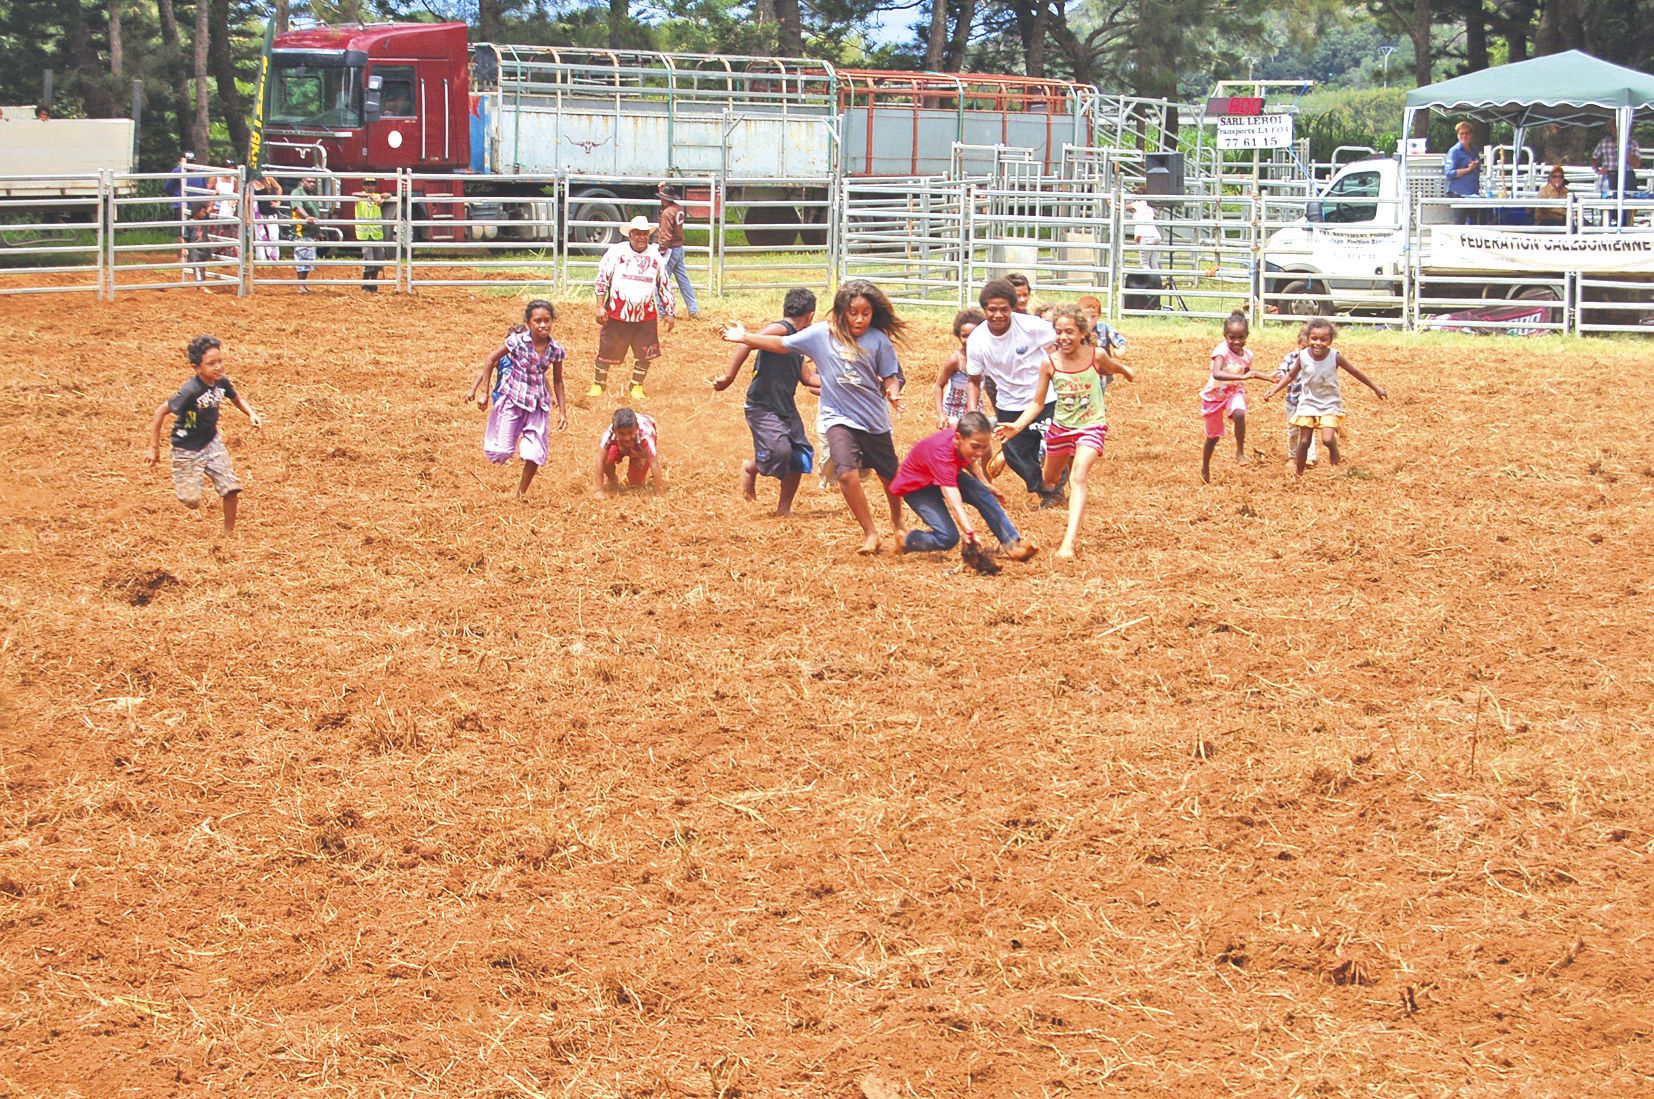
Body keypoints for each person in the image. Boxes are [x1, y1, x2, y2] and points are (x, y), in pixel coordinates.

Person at [721, 279, 907, 555]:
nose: (859, 319)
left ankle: (898, 523)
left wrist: (892, 391)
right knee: (845, 475)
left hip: (873, 420)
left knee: (889, 476)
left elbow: (892, 375)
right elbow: (782, 343)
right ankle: (870, 533)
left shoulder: (878, 340)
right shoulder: (822, 334)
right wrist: (745, 337)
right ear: (842, 310)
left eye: (866, 314)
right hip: (838, 417)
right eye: (853, 313)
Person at [994, 305, 1131, 559]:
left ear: (1082, 333)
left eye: (1069, 331)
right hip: (1061, 429)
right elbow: (1037, 402)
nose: (1063, 337)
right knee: (1050, 480)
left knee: (1079, 477)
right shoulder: (1049, 363)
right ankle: (1035, 466)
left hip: (1091, 426)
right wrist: (1017, 426)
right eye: (1058, 332)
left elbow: (1112, 368)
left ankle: (1068, 544)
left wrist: (1125, 371)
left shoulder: (1096, 355)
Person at [711, 287, 820, 517]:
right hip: (762, 405)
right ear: (810, 315)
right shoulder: (781, 328)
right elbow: (746, 342)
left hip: (785, 407)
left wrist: (842, 382)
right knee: (779, 451)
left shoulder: (797, 341)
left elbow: (808, 378)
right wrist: (729, 377)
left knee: (799, 455)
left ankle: (784, 508)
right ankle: (751, 468)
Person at [146, 335, 262, 537]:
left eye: (220, 361)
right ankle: (188, 483)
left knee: (231, 487)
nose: (218, 367)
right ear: (197, 367)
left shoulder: (221, 383)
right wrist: (153, 447)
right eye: (211, 363)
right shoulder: (190, 391)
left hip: (211, 442)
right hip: (186, 447)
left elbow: (237, 398)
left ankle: (229, 535)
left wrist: (251, 413)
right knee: (191, 501)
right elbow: (159, 412)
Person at [964, 277, 1065, 507]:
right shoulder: (978, 341)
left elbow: (1059, 345)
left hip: (1044, 397)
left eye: (1004, 310)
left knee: (1054, 445)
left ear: (1012, 308)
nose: (998, 315)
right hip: (1008, 402)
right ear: (984, 310)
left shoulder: (1033, 327)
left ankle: (1054, 492)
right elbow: (973, 380)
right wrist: (973, 414)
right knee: (1015, 455)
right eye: (992, 310)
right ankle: (1043, 487)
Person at [889, 412, 1037, 562]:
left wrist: (985, 484)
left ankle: (1012, 544)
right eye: (975, 447)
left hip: (940, 476)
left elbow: (970, 460)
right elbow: (955, 503)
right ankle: (907, 541)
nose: (979, 453)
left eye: (984, 447)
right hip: (918, 488)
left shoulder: (963, 443)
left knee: (983, 493)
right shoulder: (941, 454)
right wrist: (969, 533)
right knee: (948, 537)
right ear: (958, 439)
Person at [1264, 317, 1388, 478]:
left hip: (1329, 403)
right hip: (1308, 403)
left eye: (1324, 339)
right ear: (1307, 338)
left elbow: (1355, 372)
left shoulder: (1334, 356)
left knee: (1327, 439)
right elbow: (1290, 377)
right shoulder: (1302, 357)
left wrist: (1375, 387)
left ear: (1330, 340)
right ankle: (1298, 475)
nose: (1318, 343)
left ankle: (1334, 450)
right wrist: (1274, 390)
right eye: (1314, 338)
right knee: (1304, 441)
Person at [469, 300, 567, 499]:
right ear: (529, 323)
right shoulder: (517, 342)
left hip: (538, 404)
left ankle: (520, 493)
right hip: (513, 399)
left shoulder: (556, 350)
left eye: (547, 320)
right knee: (502, 452)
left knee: (535, 452)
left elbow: (558, 381)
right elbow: (490, 360)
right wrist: (484, 392)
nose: (543, 325)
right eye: (537, 321)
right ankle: (505, 442)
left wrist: (563, 412)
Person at [591, 215, 675, 400]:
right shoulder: (616, 253)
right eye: (637, 234)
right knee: (607, 349)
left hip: (645, 314)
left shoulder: (655, 257)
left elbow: (664, 284)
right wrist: (599, 306)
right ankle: (599, 384)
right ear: (630, 235)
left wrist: (669, 311)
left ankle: (637, 385)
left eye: (645, 234)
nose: (641, 238)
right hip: (617, 311)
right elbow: (602, 279)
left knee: (644, 353)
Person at [1199, 310, 1270, 484]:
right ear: (1225, 336)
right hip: (1214, 396)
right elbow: (1217, 373)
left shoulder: (1248, 355)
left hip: (1233, 392)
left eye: (1241, 337)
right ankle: (1205, 466)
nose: (1237, 342)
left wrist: (1268, 377)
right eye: (1232, 337)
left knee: (1239, 414)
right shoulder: (1221, 351)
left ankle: (1240, 451)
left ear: (1247, 335)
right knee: (1213, 438)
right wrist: (1242, 378)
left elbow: (1247, 372)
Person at [1272, 323, 1319, 468]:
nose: (1307, 352)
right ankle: (1292, 455)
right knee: (1293, 430)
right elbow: (1283, 370)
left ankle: (1309, 456)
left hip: (1309, 402)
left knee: (1307, 429)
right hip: (1292, 401)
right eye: (1304, 348)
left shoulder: (1316, 361)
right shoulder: (1291, 358)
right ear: (1299, 345)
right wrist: (1279, 376)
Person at [594, 407, 666, 498]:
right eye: (622, 434)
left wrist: (659, 494)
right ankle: (612, 479)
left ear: (636, 429)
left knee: (635, 483)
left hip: (639, 448)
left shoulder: (646, 435)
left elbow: (654, 463)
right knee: (607, 459)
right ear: (614, 431)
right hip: (619, 444)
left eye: (630, 433)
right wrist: (599, 491)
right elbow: (600, 458)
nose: (627, 438)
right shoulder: (609, 433)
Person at [655, 182, 700, 319]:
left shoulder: (667, 213)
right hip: (679, 248)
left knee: (661, 282)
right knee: (683, 279)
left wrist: (661, 251)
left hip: (669, 250)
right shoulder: (678, 209)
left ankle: (664, 312)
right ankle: (693, 309)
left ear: (665, 199)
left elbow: (666, 235)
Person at [934, 307, 983, 428]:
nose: (969, 340)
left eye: (973, 335)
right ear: (958, 335)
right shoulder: (956, 360)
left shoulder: (985, 359)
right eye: (965, 336)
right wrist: (940, 414)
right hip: (953, 412)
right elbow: (939, 386)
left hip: (976, 410)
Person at [353, 177, 390, 291]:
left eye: (372, 184)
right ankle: (365, 285)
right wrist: (371, 196)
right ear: (363, 186)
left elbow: (388, 195)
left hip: (376, 233)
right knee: (368, 259)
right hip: (364, 234)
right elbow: (354, 194)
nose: (370, 187)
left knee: (378, 259)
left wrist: (379, 196)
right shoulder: (360, 197)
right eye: (367, 184)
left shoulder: (377, 197)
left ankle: (373, 284)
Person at [287, 175, 324, 291]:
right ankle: (301, 285)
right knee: (303, 259)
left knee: (308, 260)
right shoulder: (297, 193)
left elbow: (316, 213)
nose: (312, 184)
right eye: (309, 181)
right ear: (302, 182)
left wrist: (318, 231)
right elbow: (298, 208)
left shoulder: (311, 195)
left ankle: (303, 284)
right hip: (301, 232)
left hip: (310, 233)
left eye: (313, 182)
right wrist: (307, 217)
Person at [1592, 117, 1642, 199]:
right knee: (1609, 200)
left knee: (1629, 201)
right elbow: (1594, 158)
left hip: (1627, 174)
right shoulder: (1604, 142)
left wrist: (1624, 148)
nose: (1615, 130)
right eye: (1613, 128)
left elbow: (1637, 164)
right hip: (1609, 174)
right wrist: (1598, 171)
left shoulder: (1632, 143)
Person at [1444, 121, 1482, 225]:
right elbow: (1448, 173)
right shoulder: (1454, 151)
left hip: (1473, 193)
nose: (1464, 136)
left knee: (1476, 223)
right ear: (1457, 135)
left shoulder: (1474, 149)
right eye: (1461, 133)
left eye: (1466, 133)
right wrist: (1468, 169)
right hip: (1458, 193)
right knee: (1459, 223)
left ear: (1471, 135)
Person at [250, 173, 284, 264]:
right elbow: (247, 199)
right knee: (259, 237)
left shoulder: (269, 178)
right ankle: (261, 261)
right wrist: (248, 215)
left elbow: (278, 188)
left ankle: (275, 259)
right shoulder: (251, 182)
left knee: (273, 235)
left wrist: (278, 202)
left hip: (270, 211)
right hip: (258, 212)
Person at [1128, 186, 1162, 272]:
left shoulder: (1137, 204)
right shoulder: (1150, 206)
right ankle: (1157, 281)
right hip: (1155, 235)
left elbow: (1124, 207)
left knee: (1144, 263)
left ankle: (1149, 281)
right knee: (1154, 263)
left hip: (1145, 236)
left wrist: (1113, 202)